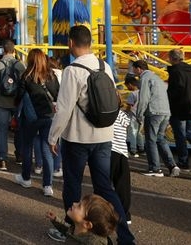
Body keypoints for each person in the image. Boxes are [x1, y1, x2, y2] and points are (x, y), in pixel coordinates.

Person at [46, 25, 134, 244]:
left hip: (77, 138)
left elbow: (64, 108)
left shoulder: (72, 70)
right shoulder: (105, 66)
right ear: (91, 43)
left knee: (73, 185)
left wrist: (53, 136)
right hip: (104, 136)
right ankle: (125, 237)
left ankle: (71, 229)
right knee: (105, 187)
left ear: (70, 43)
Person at [13, 49, 60, 197]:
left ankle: (26, 178)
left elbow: (18, 96)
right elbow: (58, 94)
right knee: (47, 150)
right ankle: (47, 185)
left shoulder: (26, 76)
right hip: (49, 116)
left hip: (32, 118)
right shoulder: (51, 75)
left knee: (27, 148)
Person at [131, 60, 179, 177]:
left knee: (151, 140)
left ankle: (155, 169)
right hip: (165, 111)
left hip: (153, 112)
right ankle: (172, 165)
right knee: (160, 138)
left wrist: (139, 115)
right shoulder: (156, 77)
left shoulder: (144, 78)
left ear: (139, 68)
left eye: (133, 69)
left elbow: (143, 99)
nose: (132, 71)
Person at [0, 39, 25, 171]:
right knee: (19, 129)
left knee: (1, 130)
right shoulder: (20, 66)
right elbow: (24, 85)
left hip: (1, 101)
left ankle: (2, 159)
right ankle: (19, 156)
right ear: (14, 50)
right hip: (16, 101)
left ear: (3, 50)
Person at [166, 49, 191, 170]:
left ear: (172, 58)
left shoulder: (175, 71)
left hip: (178, 108)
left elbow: (175, 91)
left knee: (180, 136)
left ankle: (183, 161)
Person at [47, 194, 119, 245]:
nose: (74, 204)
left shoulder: (93, 242)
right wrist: (56, 220)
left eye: (79, 206)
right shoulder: (79, 229)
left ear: (87, 224)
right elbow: (68, 230)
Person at [110, 102, 132, 225]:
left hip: (110, 149)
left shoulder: (108, 113)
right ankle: (125, 213)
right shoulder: (122, 115)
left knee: (104, 183)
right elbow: (127, 124)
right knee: (123, 185)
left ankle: (103, 211)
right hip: (122, 151)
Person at [123, 74, 144, 156]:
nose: (127, 87)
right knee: (139, 133)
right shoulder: (142, 92)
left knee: (132, 132)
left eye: (127, 85)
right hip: (141, 115)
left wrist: (125, 112)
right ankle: (141, 148)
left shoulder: (132, 94)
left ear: (130, 84)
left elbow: (129, 106)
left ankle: (133, 149)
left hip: (133, 115)